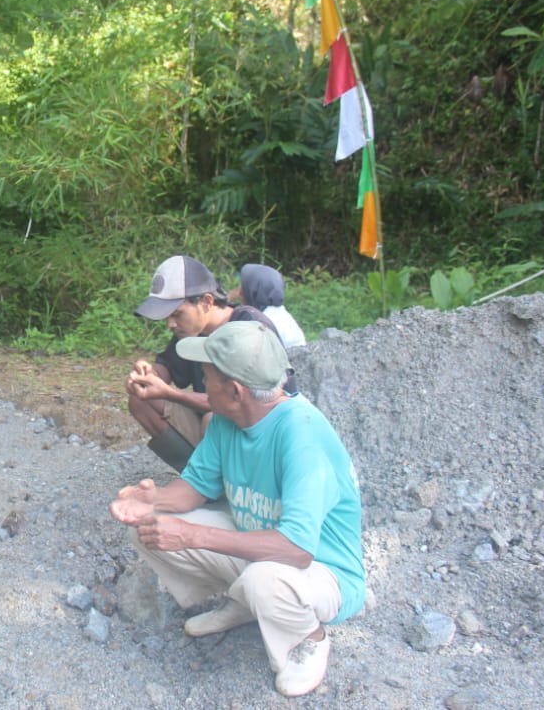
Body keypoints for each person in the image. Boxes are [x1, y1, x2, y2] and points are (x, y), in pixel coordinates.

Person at [110, 320, 365, 698]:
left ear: (234, 391)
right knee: (150, 526)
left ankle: (307, 638)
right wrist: (154, 500)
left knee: (267, 579)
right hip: (263, 550)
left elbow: (297, 548)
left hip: (322, 572)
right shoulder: (227, 420)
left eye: (206, 377)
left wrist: (193, 535)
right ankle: (246, 602)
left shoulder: (303, 436)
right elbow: (195, 487)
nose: (201, 384)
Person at [126, 255, 294, 472]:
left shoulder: (249, 327)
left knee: (213, 419)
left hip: (262, 437)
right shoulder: (190, 331)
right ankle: (201, 479)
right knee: (141, 401)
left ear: (206, 302)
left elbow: (240, 401)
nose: (170, 324)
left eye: (177, 314)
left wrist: (168, 393)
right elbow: (166, 366)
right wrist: (146, 374)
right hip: (217, 422)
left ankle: (230, 483)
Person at [232, 263, 307, 349]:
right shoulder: (279, 312)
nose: (239, 292)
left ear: (253, 291)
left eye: (243, 288)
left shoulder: (262, 321)